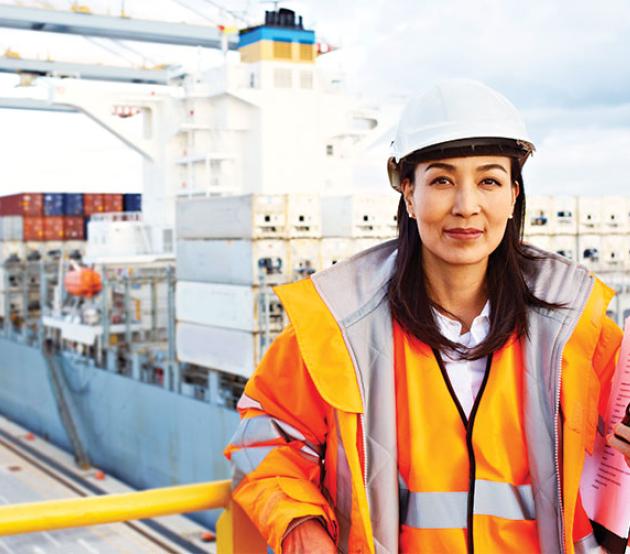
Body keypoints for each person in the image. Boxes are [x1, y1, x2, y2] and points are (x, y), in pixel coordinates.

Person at [225, 80, 630, 553]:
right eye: (441, 180)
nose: (466, 206)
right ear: (408, 194)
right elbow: (263, 441)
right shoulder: (338, 326)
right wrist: (299, 528)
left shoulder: (577, 330)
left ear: (514, 194)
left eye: (489, 180)